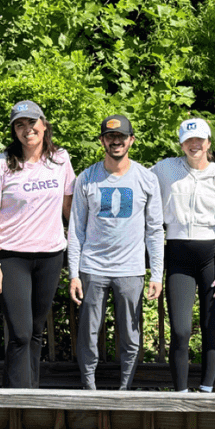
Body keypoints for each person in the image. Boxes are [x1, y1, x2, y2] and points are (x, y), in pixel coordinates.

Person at [0, 101, 76, 390]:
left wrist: (80, 251)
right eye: (20, 125)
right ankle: (17, 402)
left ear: (44, 125)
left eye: (32, 123)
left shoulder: (60, 159)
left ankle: (29, 392)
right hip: (12, 257)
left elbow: (69, 207)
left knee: (35, 331)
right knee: (20, 333)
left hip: (50, 255)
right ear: (14, 131)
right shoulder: (0, 164)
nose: (27, 130)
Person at [67, 113, 164, 390]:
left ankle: (125, 391)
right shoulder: (87, 178)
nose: (116, 142)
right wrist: (73, 273)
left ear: (131, 140)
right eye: (110, 137)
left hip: (131, 270)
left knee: (131, 336)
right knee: (88, 334)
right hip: (92, 268)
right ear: (102, 141)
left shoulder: (146, 179)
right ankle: (89, 389)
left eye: (121, 137)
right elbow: (76, 229)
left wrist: (156, 273)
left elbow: (155, 230)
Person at [153, 117, 215, 391]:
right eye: (189, 140)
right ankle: (180, 392)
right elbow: (137, 179)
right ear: (181, 143)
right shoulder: (165, 169)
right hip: (177, 255)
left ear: (208, 143)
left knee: (211, 327)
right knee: (180, 330)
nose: (194, 145)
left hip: (211, 257)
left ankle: (206, 390)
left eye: (199, 140)